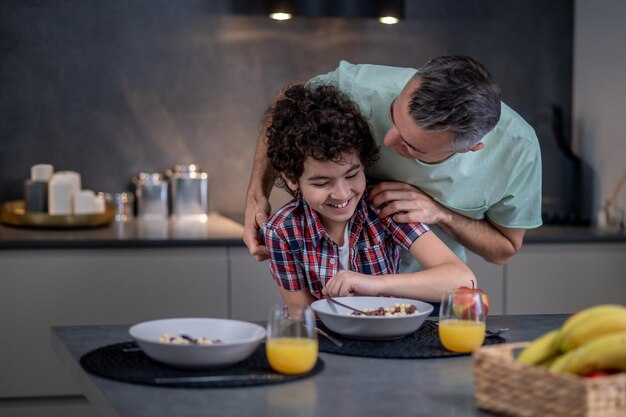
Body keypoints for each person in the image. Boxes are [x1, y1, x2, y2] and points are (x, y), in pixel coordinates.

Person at [245, 56, 542, 272]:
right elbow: (288, 104)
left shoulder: (519, 152)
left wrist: (441, 214)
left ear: (470, 148)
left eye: (410, 147)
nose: (387, 140)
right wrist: (257, 193)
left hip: (427, 285)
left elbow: (504, 250)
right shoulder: (365, 87)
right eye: (392, 115)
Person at [262, 83, 475, 306]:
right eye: (322, 183)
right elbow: (302, 317)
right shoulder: (281, 231)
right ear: (291, 179)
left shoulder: (386, 206)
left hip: (387, 337)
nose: (342, 193)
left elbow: (463, 281)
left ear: (363, 163)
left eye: (352, 175)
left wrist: (376, 284)